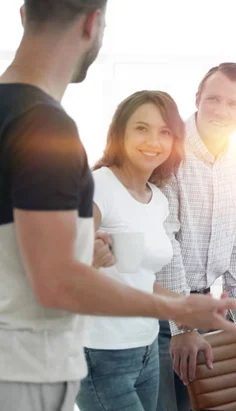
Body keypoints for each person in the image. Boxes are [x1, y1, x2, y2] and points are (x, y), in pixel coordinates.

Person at [0, 2, 236, 411]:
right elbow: (57, 282)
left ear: (24, 14)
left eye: (165, 131)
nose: (154, 141)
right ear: (94, 23)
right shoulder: (47, 129)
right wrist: (180, 307)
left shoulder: (20, 118)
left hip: (110, 351)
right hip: (35, 368)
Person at [156, 62, 236, 411]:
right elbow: (166, 241)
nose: (221, 111)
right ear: (197, 99)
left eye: (233, 104)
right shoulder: (169, 147)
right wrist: (181, 327)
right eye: (213, 99)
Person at [76, 91, 188, 411]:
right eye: (141, 128)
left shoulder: (158, 200)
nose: (153, 140)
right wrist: (89, 259)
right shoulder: (99, 185)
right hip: (101, 353)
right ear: (120, 133)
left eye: (165, 132)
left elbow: (139, 279)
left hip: (147, 348)